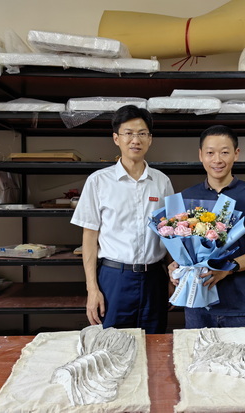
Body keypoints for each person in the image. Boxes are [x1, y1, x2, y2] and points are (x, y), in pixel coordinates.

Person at [71, 105, 174, 334]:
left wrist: (170, 276)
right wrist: (92, 289)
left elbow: (169, 234)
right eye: (128, 133)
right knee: (112, 343)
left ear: (150, 139)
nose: (135, 140)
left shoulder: (162, 182)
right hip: (114, 279)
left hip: (154, 278)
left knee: (154, 340)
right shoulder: (98, 181)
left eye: (142, 133)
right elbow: (89, 238)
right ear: (116, 138)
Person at [170, 124, 245, 328]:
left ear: (236, 154)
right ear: (201, 155)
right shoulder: (188, 196)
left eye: (225, 152)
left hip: (241, 305)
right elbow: (183, 247)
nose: (217, 160)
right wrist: (176, 265)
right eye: (210, 153)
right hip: (197, 303)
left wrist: (228, 268)